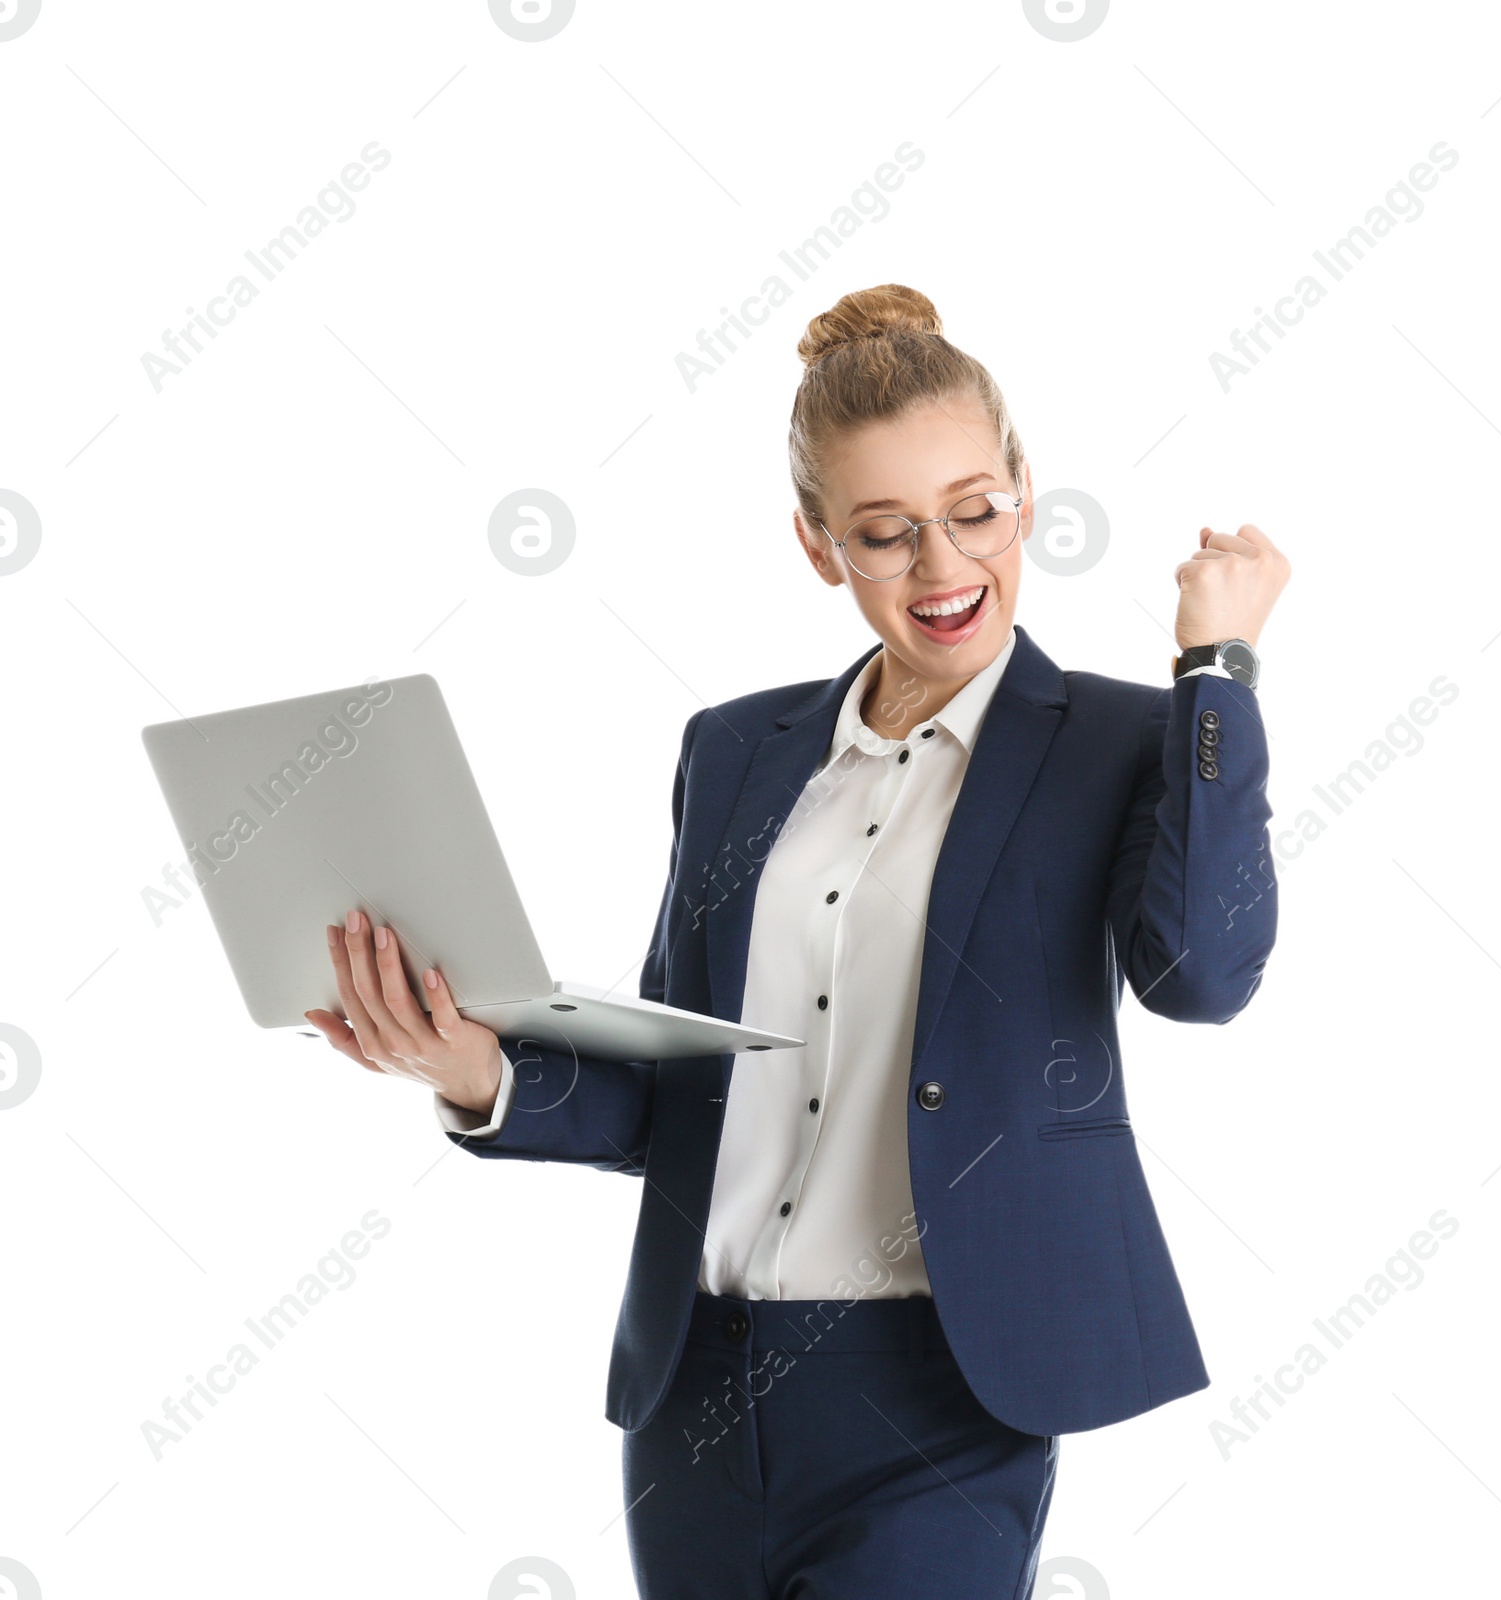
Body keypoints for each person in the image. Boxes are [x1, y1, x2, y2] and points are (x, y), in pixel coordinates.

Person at [305, 283, 1290, 1598]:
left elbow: (1203, 976)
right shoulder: (735, 751)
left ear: (1025, 494)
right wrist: (473, 1073)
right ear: (819, 545)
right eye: (886, 534)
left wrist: (1215, 671)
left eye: (973, 514)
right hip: (697, 1389)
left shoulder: (1112, 741)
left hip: (946, 1396)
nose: (944, 571)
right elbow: (675, 1091)